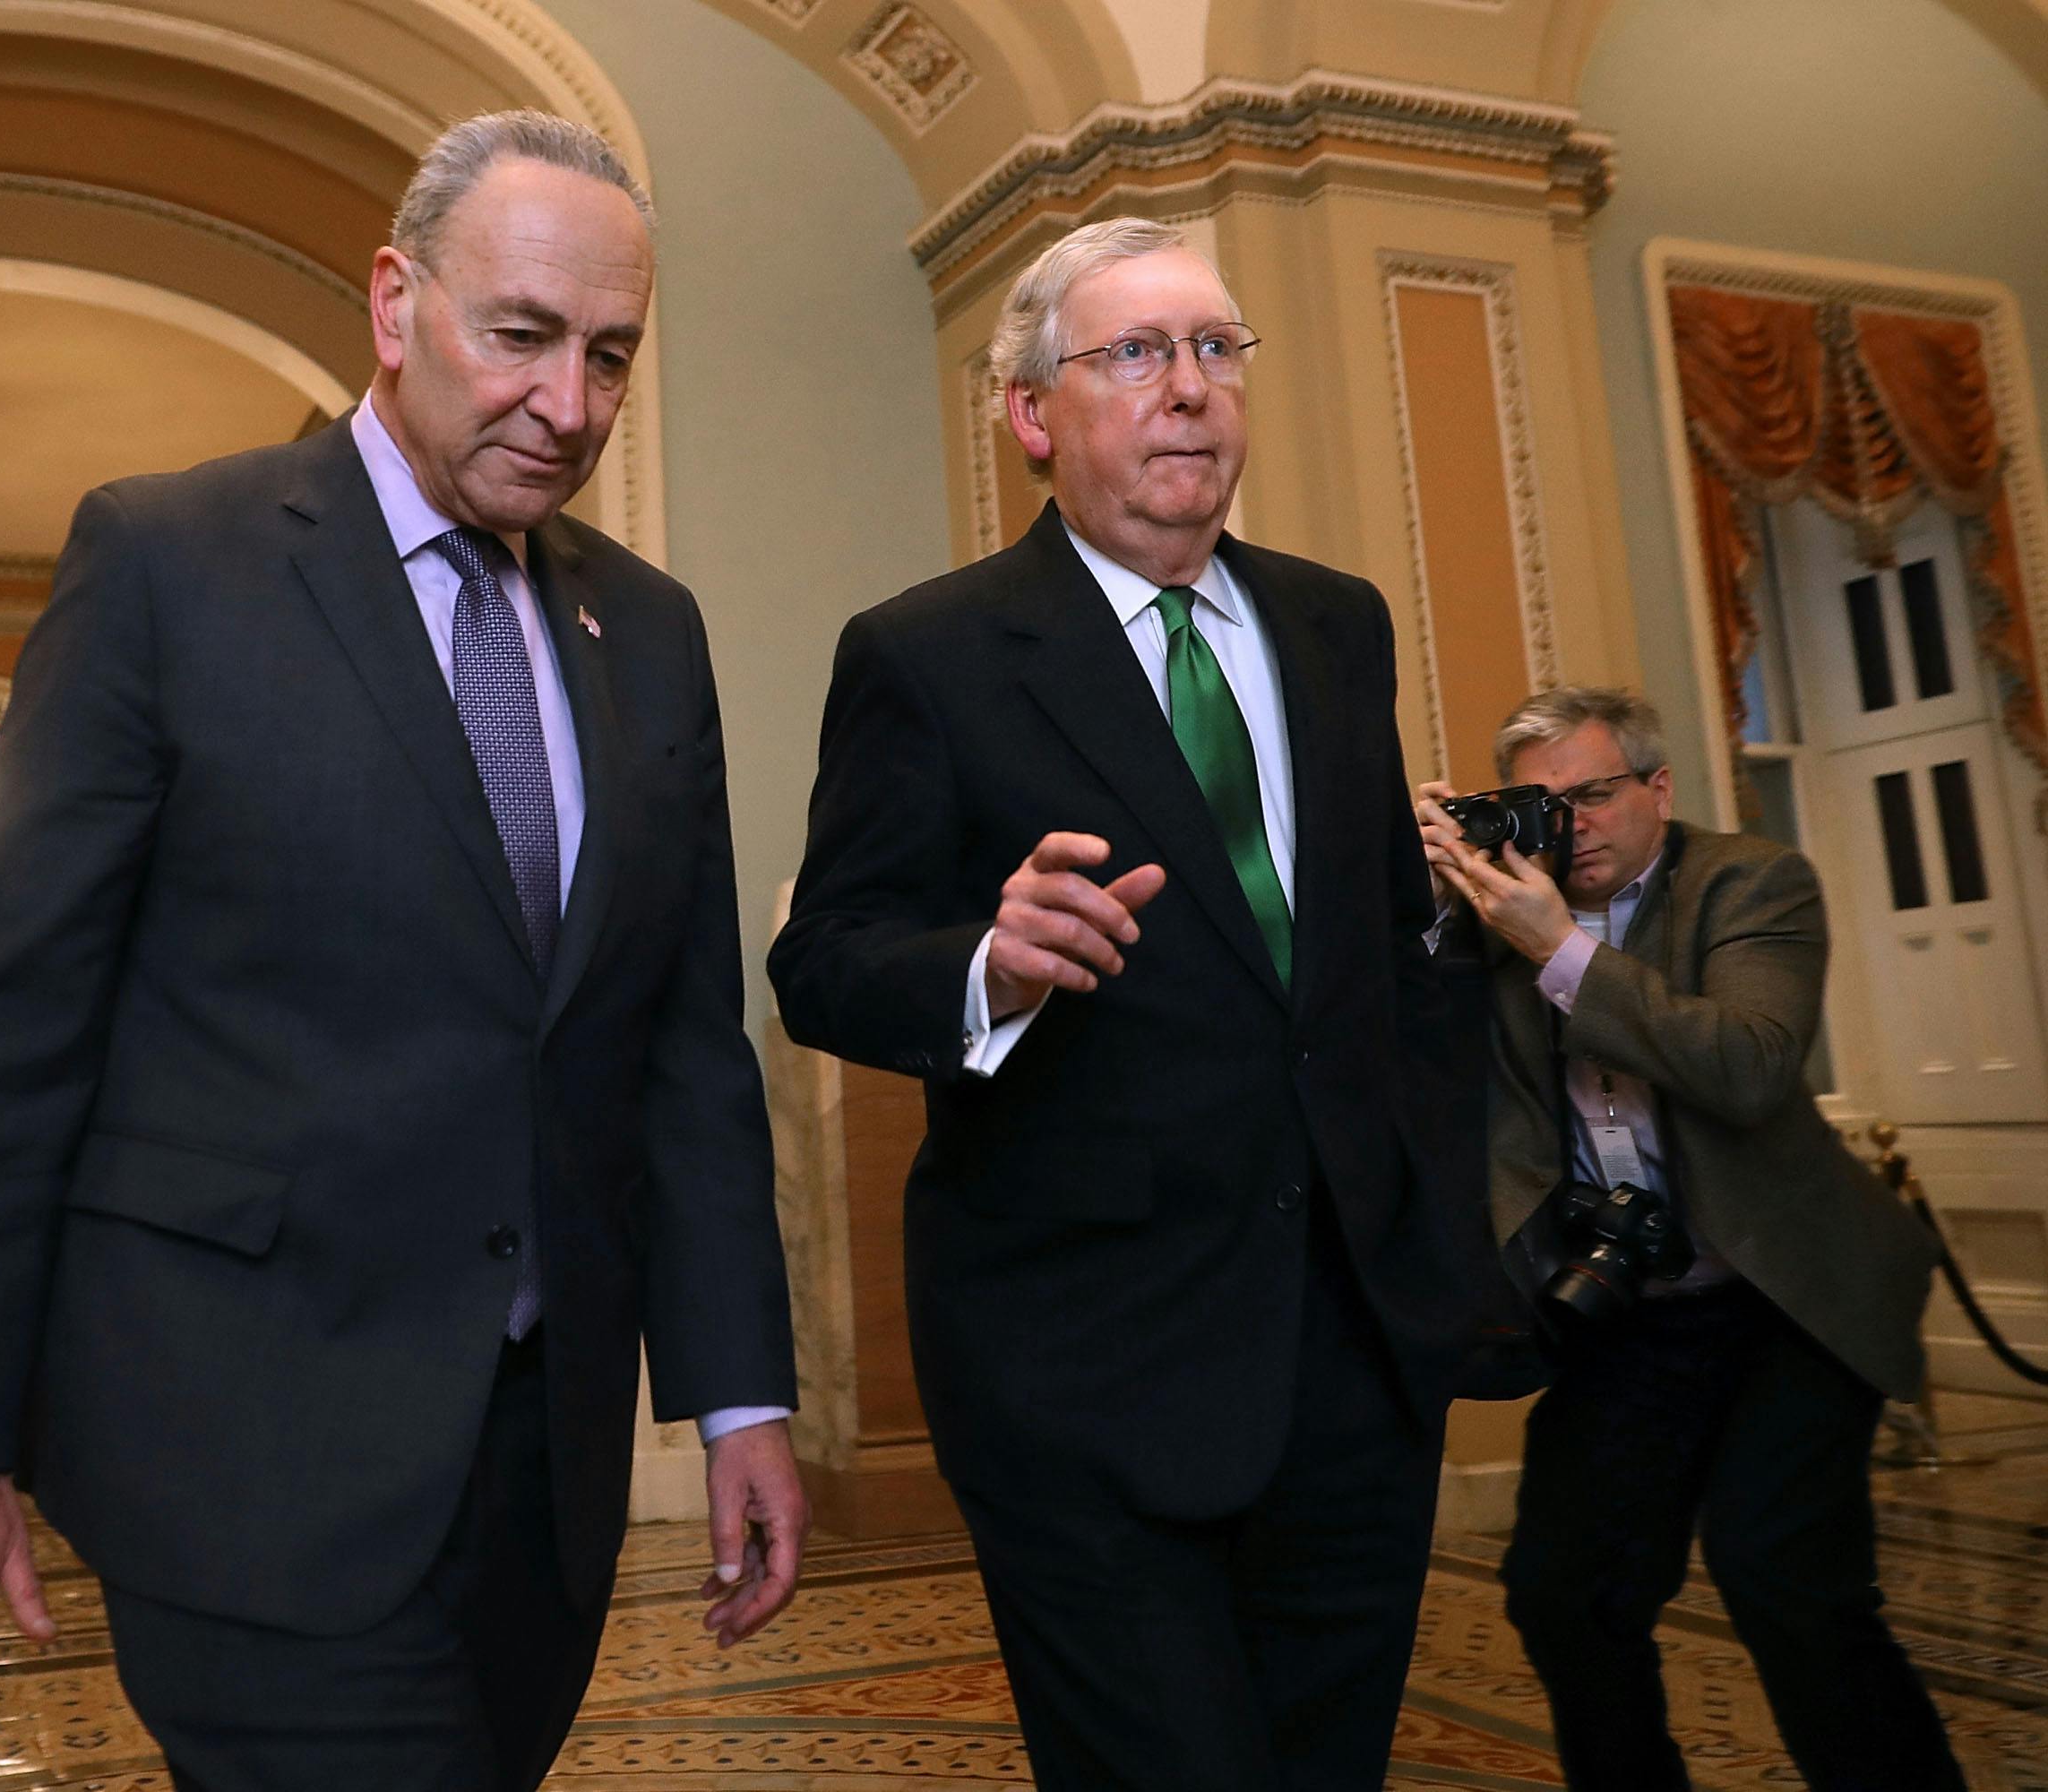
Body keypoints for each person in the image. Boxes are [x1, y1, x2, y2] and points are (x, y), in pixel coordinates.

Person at [0, 110, 805, 1790]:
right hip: (241, 1449)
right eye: (518, 337)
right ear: (394, 302)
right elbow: (1, 1035)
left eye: (607, 356)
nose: (566, 405)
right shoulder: (168, 562)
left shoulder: (647, 630)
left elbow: (680, 1049)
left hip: (539, 1475)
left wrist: (738, 1398)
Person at [767, 216, 1477, 1788]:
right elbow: (821, 958)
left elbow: (1385, 957)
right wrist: (988, 966)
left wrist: (1436, 1245)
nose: (1189, 389)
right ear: (1033, 416)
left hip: (1352, 1361)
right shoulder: (929, 655)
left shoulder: (1336, 623)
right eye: (1137, 353)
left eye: (1217, 348)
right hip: (1082, 1375)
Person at [1418, 685, 1962, 1792]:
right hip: (1630, 1308)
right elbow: (1401, 1033)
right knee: (1564, 1590)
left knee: (1787, 1582)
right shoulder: (1499, 913)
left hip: (1788, 1297)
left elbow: (1752, 1062)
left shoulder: (1749, 880)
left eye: (1596, 792)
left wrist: (1559, 949)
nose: (1571, 822)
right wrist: (1420, 881)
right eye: (1540, 802)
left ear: (1658, 789)